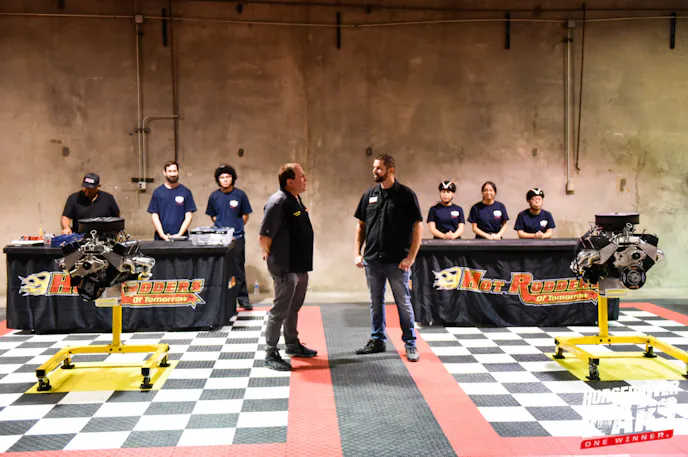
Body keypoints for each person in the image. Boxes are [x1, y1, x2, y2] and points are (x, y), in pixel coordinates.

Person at [354, 154, 423, 362]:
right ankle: (377, 340)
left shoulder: (406, 195)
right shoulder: (369, 195)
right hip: (373, 260)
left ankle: (410, 343)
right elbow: (361, 226)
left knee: (403, 303)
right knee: (375, 303)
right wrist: (357, 253)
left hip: (397, 262)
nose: (374, 171)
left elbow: (417, 226)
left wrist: (411, 257)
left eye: (378, 168)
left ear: (390, 170)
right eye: (374, 167)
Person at [258, 163, 317, 371]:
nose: (305, 179)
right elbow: (264, 237)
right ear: (290, 181)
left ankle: (292, 344)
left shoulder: (295, 199)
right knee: (280, 310)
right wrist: (271, 253)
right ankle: (271, 353)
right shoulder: (277, 202)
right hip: (284, 266)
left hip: (299, 265)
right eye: (302, 176)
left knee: (293, 308)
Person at [206, 165, 254, 310]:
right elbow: (213, 216)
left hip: (237, 238)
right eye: (222, 177)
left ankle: (243, 299)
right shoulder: (214, 196)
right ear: (218, 180)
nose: (225, 180)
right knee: (221, 269)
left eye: (228, 177)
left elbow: (245, 215)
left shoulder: (240, 195)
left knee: (238, 269)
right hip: (219, 239)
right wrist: (224, 232)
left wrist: (235, 229)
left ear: (233, 178)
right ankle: (223, 300)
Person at [147, 161, 197, 241]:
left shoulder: (186, 192)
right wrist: (162, 235)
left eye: (174, 171)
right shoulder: (158, 192)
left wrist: (179, 235)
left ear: (178, 172)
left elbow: (189, 216)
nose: (172, 174)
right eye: (170, 171)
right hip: (160, 239)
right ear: (164, 173)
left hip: (181, 238)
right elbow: (154, 215)